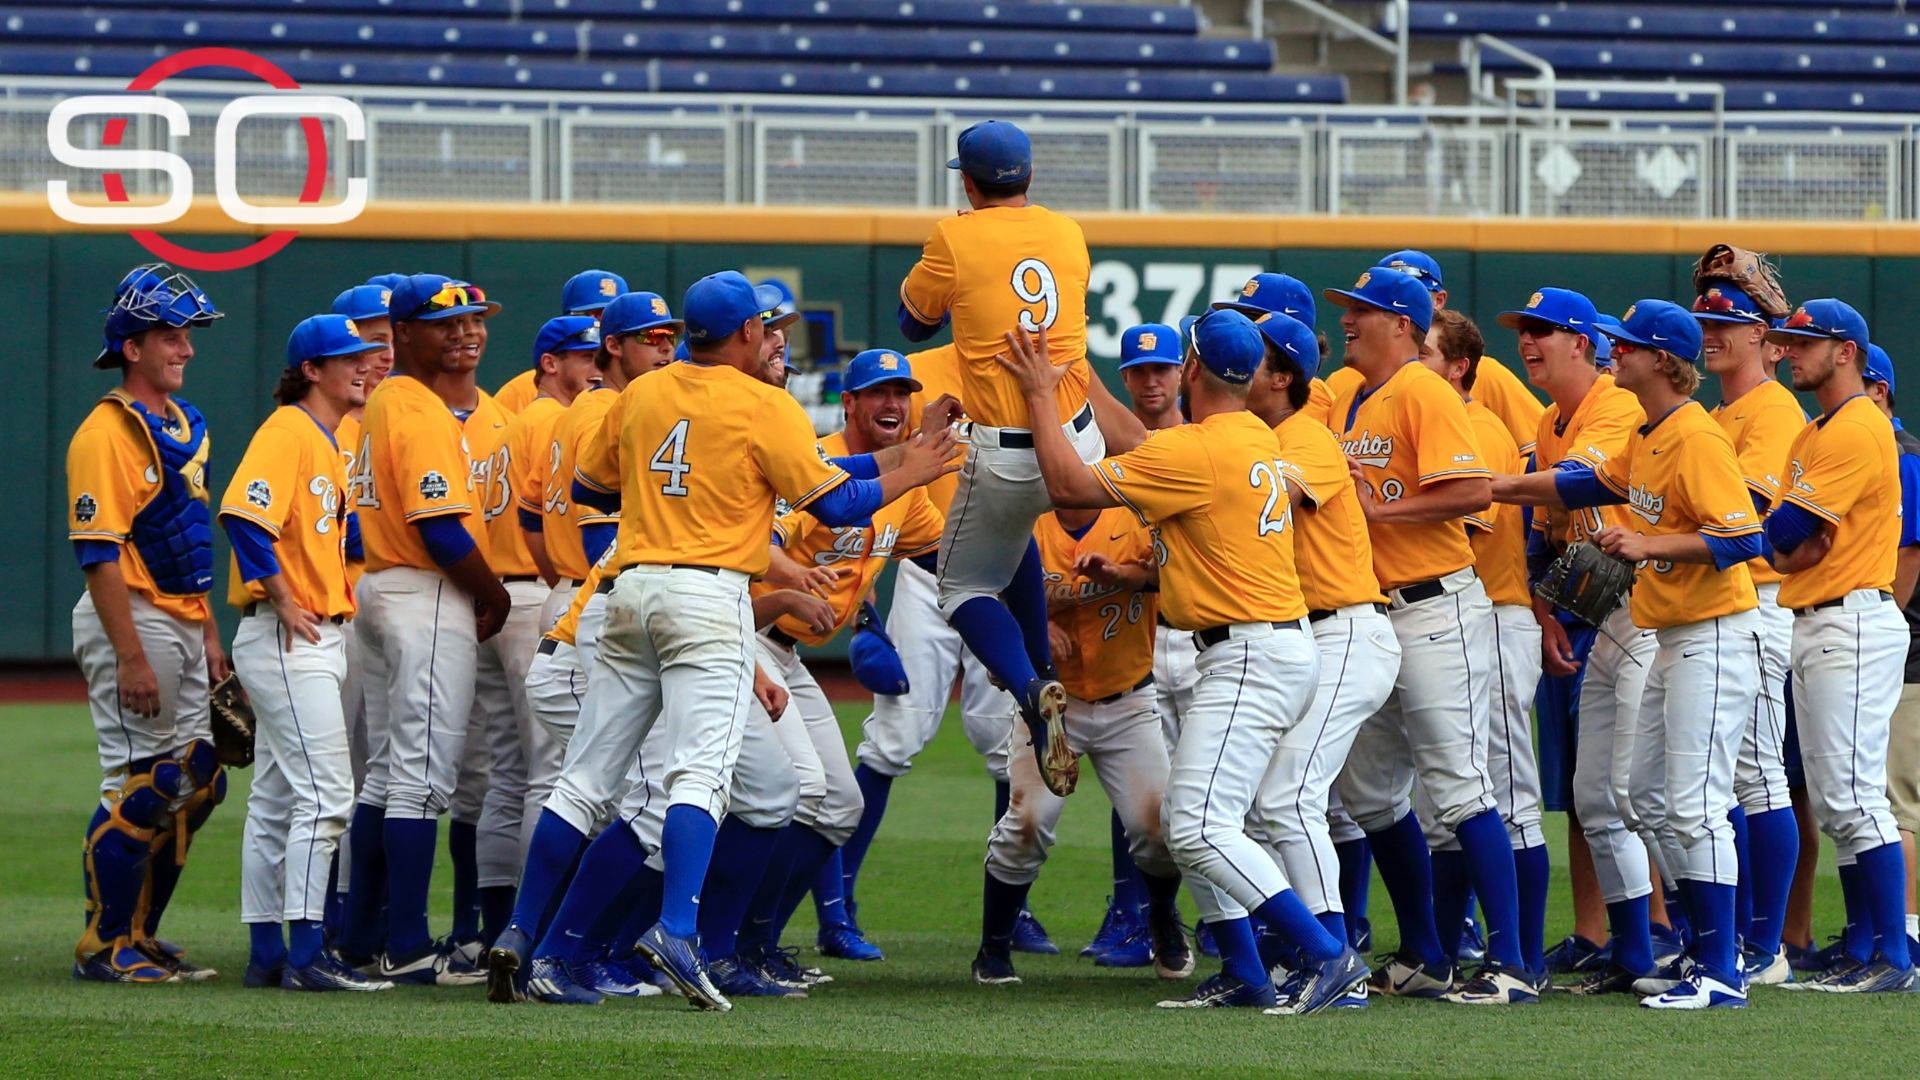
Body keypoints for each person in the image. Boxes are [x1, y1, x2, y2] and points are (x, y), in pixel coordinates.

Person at [494, 271, 959, 1012]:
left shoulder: (642, 394)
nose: (770, 337)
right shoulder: (760, 402)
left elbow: (589, 488)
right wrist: (914, 473)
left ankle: (522, 936)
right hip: (706, 596)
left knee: (583, 781)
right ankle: (678, 928)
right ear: (744, 332)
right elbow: (835, 500)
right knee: (700, 778)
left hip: (628, 589)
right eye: (764, 327)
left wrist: (676, 485)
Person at [996, 310, 1368, 1014]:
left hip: (1251, 652)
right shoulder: (1253, 433)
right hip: (1262, 646)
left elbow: (1072, 487)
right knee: (1196, 822)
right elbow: (1153, 450)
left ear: (1191, 370)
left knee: (1197, 825)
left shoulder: (1198, 449)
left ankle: (1326, 955)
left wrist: (1044, 394)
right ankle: (1250, 973)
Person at [1501, 300, 1766, 1008]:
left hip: (1712, 633)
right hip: (1666, 628)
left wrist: (1650, 543)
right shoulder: (1651, 432)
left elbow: (1745, 538)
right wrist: (1495, 489)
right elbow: (1588, 484)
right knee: (1632, 795)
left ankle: (1719, 967)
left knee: (1695, 804)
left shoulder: (1696, 437)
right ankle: (1674, 948)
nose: (1614, 353)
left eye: (1627, 346)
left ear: (1660, 359)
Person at [1322, 268, 1529, 1006]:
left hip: (1439, 606)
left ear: (1404, 325)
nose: (1348, 320)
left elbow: (1473, 492)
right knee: (1372, 793)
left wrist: (1377, 512)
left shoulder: (1424, 389)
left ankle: (1509, 962)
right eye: (1349, 310)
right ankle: (1425, 953)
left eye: (1365, 311)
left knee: (1460, 787)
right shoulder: (1358, 398)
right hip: (1378, 613)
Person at [898, 119, 1114, 799]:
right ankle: (1044, 665)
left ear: (967, 180)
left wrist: (962, 259)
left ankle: (1029, 686)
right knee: (1013, 532)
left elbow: (911, 320)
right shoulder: (1068, 233)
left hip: (1009, 449)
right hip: (1077, 437)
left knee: (962, 589)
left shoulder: (955, 236)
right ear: (1029, 175)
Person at [836, 341, 1047, 961]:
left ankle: (1014, 907)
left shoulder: (1038, 361)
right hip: (928, 568)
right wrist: (865, 613)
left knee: (1002, 743)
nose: (896, 400)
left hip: (1002, 568)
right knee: (893, 736)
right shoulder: (919, 369)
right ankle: (838, 898)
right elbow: (869, 518)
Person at [337, 274, 511, 983]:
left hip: (384, 586)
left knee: (385, 775)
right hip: (424, 591)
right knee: (419, 778)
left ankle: (360, 937)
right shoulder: (417, 408)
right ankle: (408, 945)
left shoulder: (389, 400)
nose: (466, 331)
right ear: (403, 333)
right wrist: (492, 595)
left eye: (474, 319)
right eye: (446, 323)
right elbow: (439, 527)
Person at [68, 265, 227, 984]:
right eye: (169, 334)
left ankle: (141, 932)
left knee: (200, 782)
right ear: (132, 347)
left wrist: (211, 636)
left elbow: (189, 542)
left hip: (181, 619)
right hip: (130, 616)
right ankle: (103, 945)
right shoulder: (106, 432)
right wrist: (129, 655)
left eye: (186, 334)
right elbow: (99, 554)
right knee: (146, 781)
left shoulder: (183, 425)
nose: (185, 348)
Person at [225, 314, 390, 992]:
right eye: (345, 358)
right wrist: (283, 596)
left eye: (363, 355)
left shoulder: (327, 438)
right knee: (327, 797)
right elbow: (242, 514)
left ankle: (268, 949)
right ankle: (306, 952)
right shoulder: (290, 430)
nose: (361, 365)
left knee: (275, 798)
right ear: (311, 371)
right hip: (289, 633)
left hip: (304, 632)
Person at [971, 495, 1190, 987]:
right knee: (1027, 825)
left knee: (1157, 831)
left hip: (1129, 700)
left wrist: (1124, 576)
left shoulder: (1137, 516)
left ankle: (1161, 917)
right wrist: (1033, 624)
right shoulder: (1023, 522)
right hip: (1048, 703)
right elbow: (979, 596)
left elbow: (1175, 576)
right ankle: (994, 945)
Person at [1243, 309, 1399, 997]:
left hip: (1347, 634)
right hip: (1309, 639)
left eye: (1250, 357)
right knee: (1265, 800)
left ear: (1281, 378)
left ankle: (1335, 961)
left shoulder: (1304, 435)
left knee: (1289, 794)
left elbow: (1270, 493)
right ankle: (1299, 951)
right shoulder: (1257, 435)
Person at [1766, 300, 1914, 992]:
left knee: (1855, 797)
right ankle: (1862, 945)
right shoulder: (1816, 430)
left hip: (1851, 619)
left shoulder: (1858, 425)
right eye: (1788, 340)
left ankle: (1891, 956)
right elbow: (1791, 540)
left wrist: (1753, 530)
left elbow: (1788, 528)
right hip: (1822, 619)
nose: (1790, 351)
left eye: (1804, 342)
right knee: (1833, 799)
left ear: (1845, 352)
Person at [1413, 308, 1552, 985]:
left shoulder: (1479, 426)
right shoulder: (1423, 414)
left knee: (1508, 794)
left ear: (1459, 365)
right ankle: (1440, 954)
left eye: (1428, 352)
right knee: (1448, 801)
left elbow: (1460, 534)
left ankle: (1520, 958)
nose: (1417, 362)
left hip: (1492, 618)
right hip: (1467, 621)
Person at [1697, 282, 1808, 984]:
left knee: (1760, 775)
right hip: (1721, 603)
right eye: (1705, 321)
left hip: (1763, 601)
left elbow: (1750, 507)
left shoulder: (1773, 406)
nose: (1711, 333)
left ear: (1764, 341)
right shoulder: (1721, 409)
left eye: (1725, 324)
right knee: (1726, 779)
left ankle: (1767, 950)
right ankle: (1735, 938)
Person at [322, 282, 395, 941]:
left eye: (389, 338)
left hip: (385, 608)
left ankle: (358, 922)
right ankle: (321, 918)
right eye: (369, 341)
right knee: (331, 773)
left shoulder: (392, 416)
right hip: (335, 610)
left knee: (380, 772)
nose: (382, 352)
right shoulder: (329, 426)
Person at [1864, 346, 1920, 962]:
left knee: (1893, 802)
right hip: (1898, 649)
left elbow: (1909, 552)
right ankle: (1878, 932)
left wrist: (1888, 624)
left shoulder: (1905, 456)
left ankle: (1902, 934)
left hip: (1908, 655)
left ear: (1879, 390)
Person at [494, 269, 628, 414]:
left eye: (616, 318)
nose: (604, 326)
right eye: (598, 315)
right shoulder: (522, 390)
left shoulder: (642, 385)